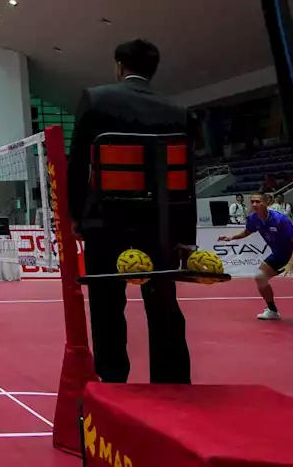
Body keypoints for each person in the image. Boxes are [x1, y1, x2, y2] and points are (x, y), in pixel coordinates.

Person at [68, 39, 191, 384]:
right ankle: (173, 384)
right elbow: (187, 177)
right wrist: (186, 237)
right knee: (163, 301)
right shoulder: (178, 110)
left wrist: (76, 216)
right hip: (162, 223)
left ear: (120, 66)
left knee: (107, 305)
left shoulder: (94, 99)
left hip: (107, 222)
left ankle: (112, 381)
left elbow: (77, 164)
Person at [220, 193, 293, 320]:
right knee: (259, 277)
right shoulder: (253, 218)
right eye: (252, 202)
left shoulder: (280, 220)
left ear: (266, 203)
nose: (254, 204)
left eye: (258, 202)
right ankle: (272, 310)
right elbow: (247, 231)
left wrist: (291, 263)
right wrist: (231, 237)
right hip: (279, 254)